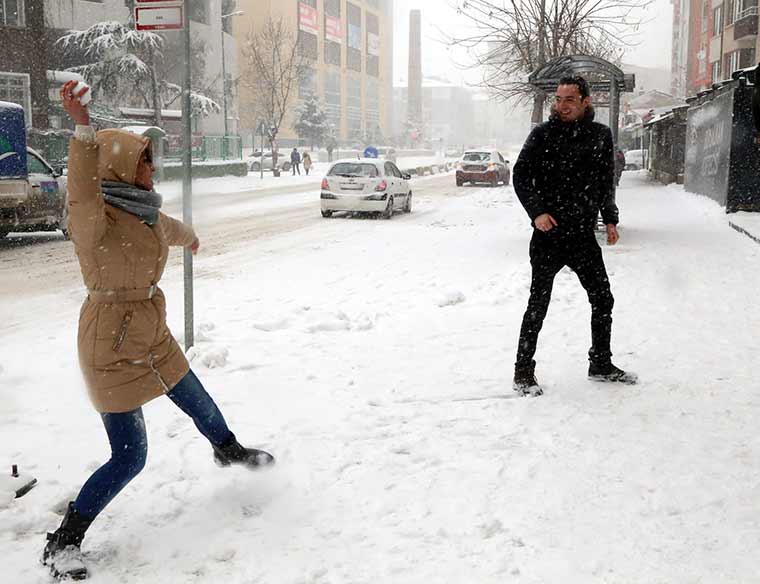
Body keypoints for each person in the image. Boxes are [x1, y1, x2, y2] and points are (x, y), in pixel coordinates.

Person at [42, 80, 275, 581]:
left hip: (151, 331)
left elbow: (165, 228)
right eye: (146, 160)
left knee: (197, 397)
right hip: (109, 342)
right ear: (122, 166)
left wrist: (190, 238)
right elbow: (80, 187)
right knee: (129, 457)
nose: (153, 167)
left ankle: (228, 450)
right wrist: (82, 129)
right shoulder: (94, 220)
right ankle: (64, 541)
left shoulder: (142, 211)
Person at [511, 75, 637, 397]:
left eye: (569, 99)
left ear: (585, 101)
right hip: (549, 234)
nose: (561, 106)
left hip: (581, 235)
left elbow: (605, 181)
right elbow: (521, 175)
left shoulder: (599, 135)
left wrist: (610, 219)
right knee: (538, 303)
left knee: (603, 299)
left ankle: (600, 363)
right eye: (558, 99)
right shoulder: (541, 135)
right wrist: (537, 212)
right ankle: (523, 371)